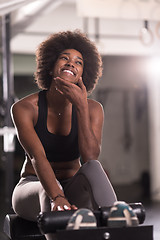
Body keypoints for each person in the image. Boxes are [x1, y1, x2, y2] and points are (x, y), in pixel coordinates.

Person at [11, 30, 117, 239]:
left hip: (73, 185)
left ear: (83, 75)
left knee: (95, 167)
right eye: (64, 58)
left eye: (78, 62)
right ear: (50, 68)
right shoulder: (25, 108)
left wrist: (81, 106)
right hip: (33, 188)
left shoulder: (93, 109)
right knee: (46, 191)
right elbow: (37, 157)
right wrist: (57, 196)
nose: (71, 64)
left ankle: (117, 220)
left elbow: (89, 158)